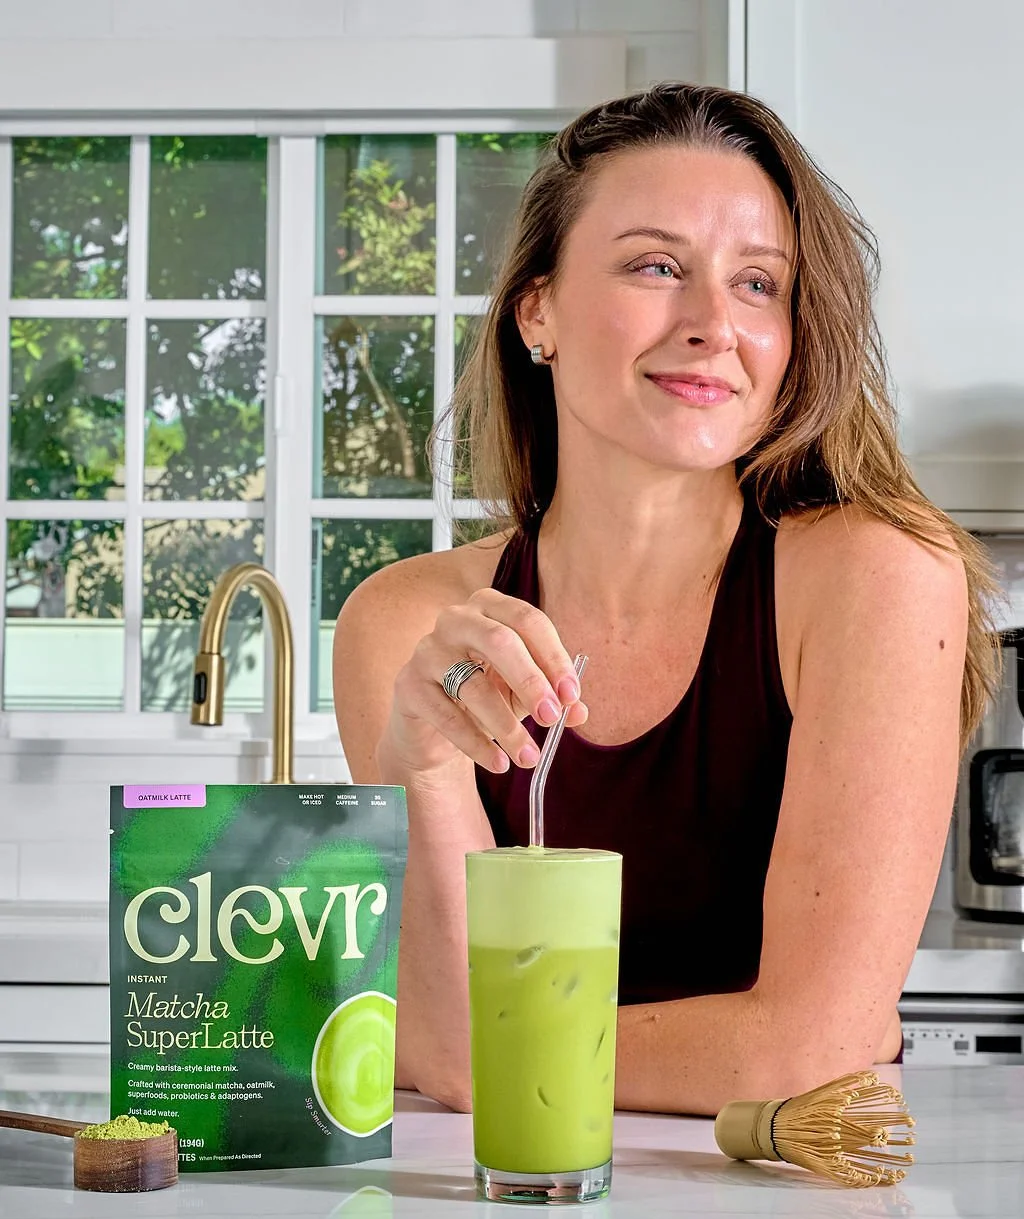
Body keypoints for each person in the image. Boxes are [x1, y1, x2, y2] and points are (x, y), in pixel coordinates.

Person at [333, 83, 999, 1116]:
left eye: (757, 283)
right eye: (656, 267)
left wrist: (498, 1057)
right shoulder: (407, 623)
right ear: (538, 311)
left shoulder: (880, 576)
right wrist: (419, 765)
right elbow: (443, 1029)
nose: (713, 325)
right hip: (495, 1186)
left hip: (775, 1191)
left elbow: (807, 1047)